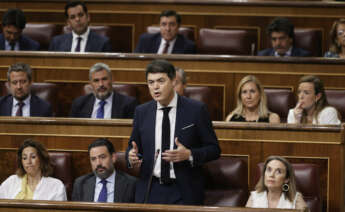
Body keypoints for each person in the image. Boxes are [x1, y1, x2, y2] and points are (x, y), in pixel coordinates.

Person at [126, 59, 220, 205]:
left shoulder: (196, 110)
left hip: (183, 190)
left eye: (161, 81)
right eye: (151, 82)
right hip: (151, 188)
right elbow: (133, 147)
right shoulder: (142, 112)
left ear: (173, 81)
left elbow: (214, 149)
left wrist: (189, 154)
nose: (155, 87)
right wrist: (132, 157)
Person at [72, 138, 136, 202]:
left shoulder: (131, 184)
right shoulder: (80, 184)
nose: (98, 163)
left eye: (102, 157)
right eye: (93, 159)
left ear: (113, 158)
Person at [0, 139, 66, 200]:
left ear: (41, 159)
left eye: (33, 157)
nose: (28, 162)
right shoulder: (11, 181)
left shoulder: (57, 186)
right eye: (24, 158)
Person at [70, 62, 138, 119]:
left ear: (112, 80)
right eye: (96, 80)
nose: (101, 84)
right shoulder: (79, 104)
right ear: (91, 83)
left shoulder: (128, 104)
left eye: (104, 79)